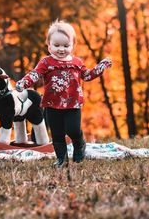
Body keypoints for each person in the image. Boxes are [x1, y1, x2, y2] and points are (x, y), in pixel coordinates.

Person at [16, 20, 112, 167]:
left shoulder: (77, 62)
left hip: (73, 103)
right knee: (57, 134)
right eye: (57, 45)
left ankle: (80, 145)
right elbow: (35, 74)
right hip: (52, 104)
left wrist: (100, 67)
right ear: (49, 45)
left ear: (73, 45)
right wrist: (23, 82)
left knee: (73, 130)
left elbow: (87, 76)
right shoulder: (46, 62)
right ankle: (62, 159)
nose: (61, 49)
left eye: (66, 46)